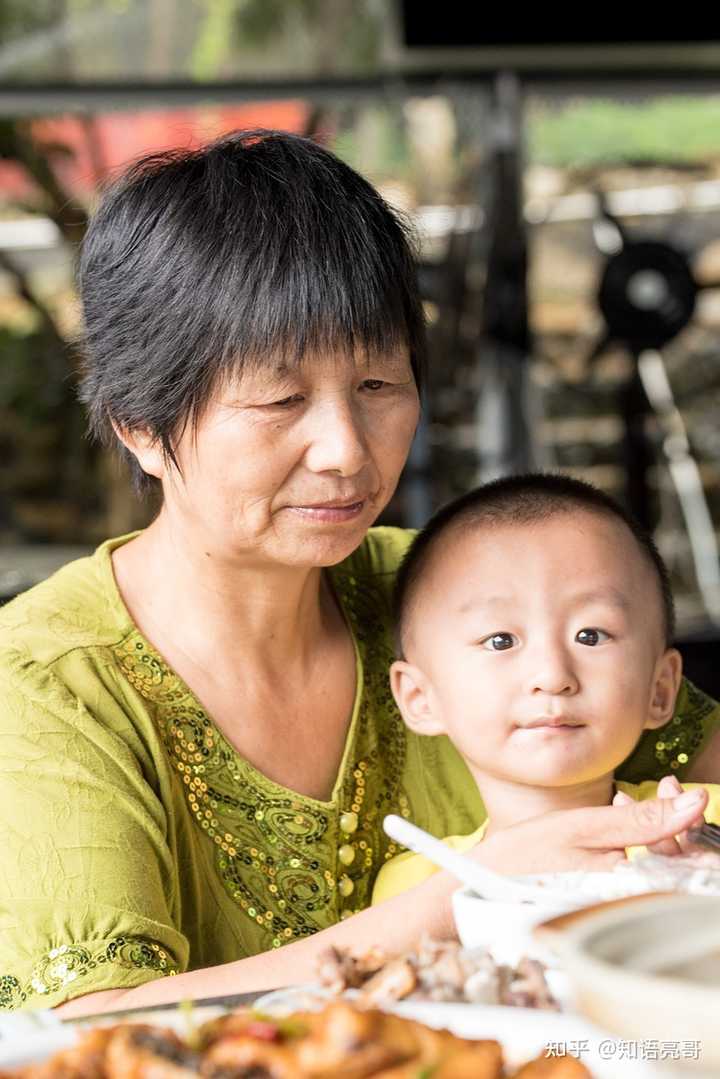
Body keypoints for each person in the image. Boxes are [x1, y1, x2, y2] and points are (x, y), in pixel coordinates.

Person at [1, 132, 718, 1017]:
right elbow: (86, 1022)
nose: (346, 452)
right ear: (139, 423)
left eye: (379, 383)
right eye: (281, 399)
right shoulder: (47, 683)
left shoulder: (461, 590)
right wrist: (469, 895)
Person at [374, 474, 720, 902]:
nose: (553, 675)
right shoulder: (419, 885)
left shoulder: (701, 823)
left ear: (661, 689)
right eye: (500, 640)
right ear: (419, 699)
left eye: (591, 635)